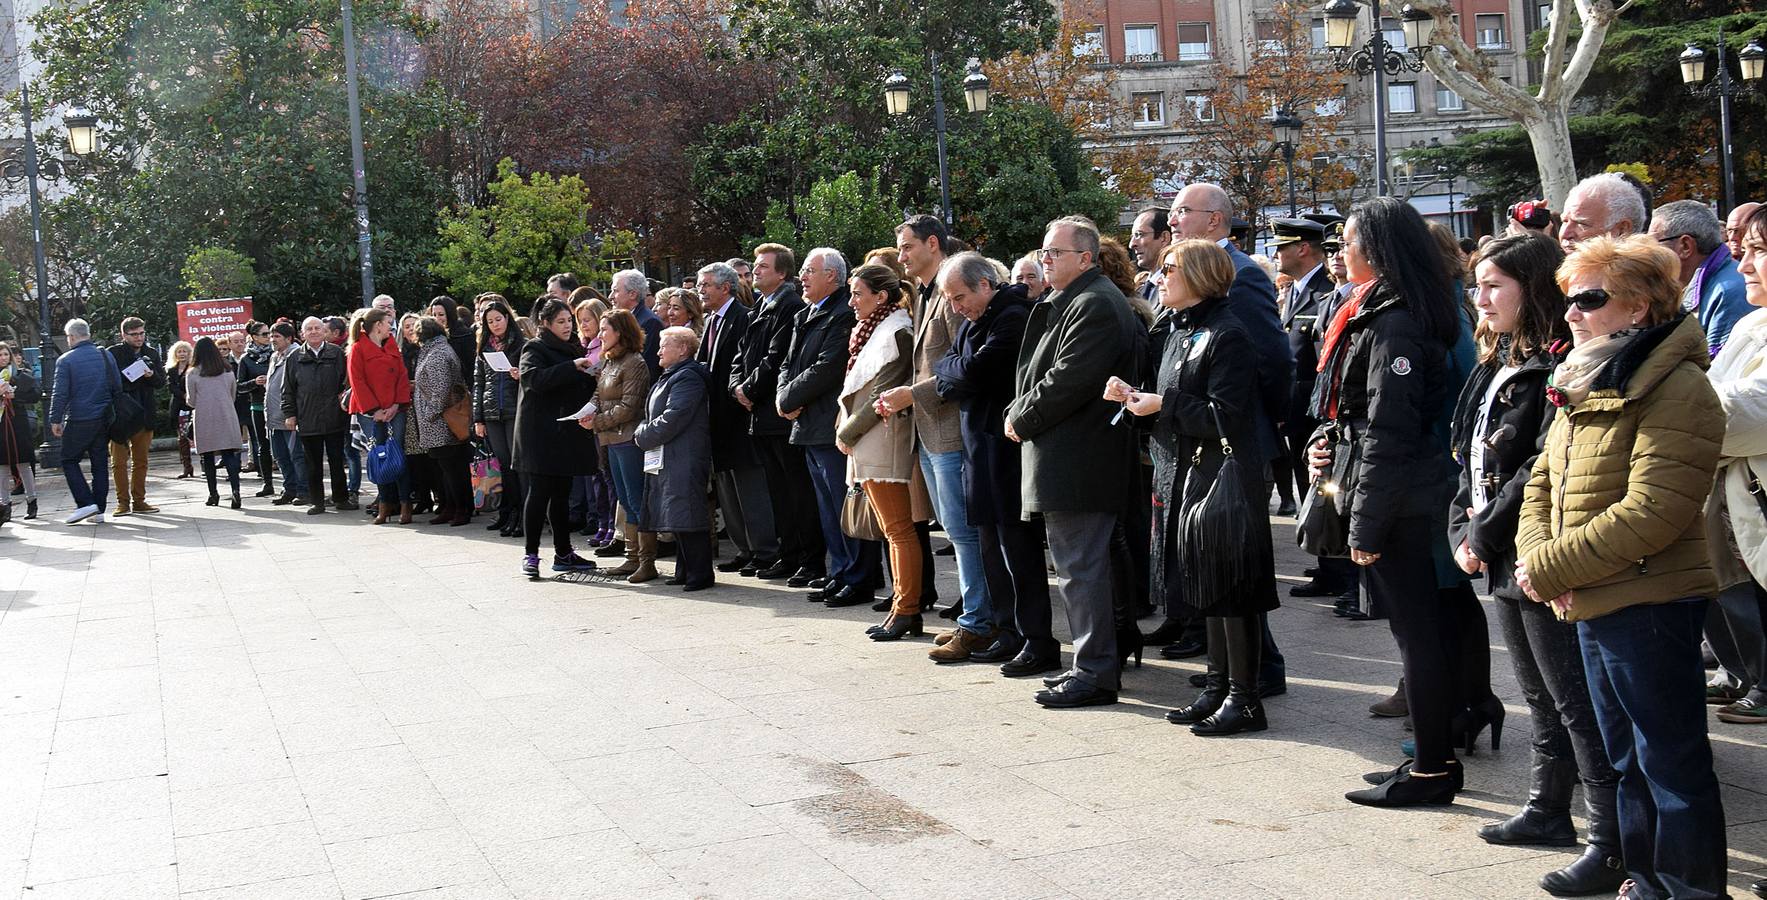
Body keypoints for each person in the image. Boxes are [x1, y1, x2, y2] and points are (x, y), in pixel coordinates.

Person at [1515, 235, 1729, 899]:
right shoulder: (1586, 372)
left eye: (1587, 298)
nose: (1570, 313)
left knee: (1670, 760)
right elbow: (1541, 481)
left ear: (1636, 308)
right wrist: (1534, 557)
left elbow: (1654, 510)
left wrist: (1547, 567)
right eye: (1566, 298)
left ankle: (1689, 888)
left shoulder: (1679, 385)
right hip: (1589, 592)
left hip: (1648, 599)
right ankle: (1643, 879)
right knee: (1624, 758)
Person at [1445, 233, 1625, 895]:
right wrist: (1461, 526)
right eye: (1476, 284)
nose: (1480, 297)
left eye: (1494, 285)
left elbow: (1535, 469)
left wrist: (1481, 534)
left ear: (1534, 287)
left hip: (1538, 552)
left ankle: (1610, 840)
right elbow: (1467, 454)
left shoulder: (1559, 361)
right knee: (1539, 697)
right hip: (1498, 549)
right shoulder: (1500, 355)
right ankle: (1548, 808)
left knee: (1574, 702)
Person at [1307, 198, 1471, 807]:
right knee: (1416, 632)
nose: (1339, 254)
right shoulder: (1383, 311)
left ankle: (1431, 768)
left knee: (1417, 634)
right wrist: (1327, 443)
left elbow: (1390, 431)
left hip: (1404, 500)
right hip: (1398, 493)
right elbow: (1359, 415)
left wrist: (1366, 525)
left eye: (1346, 243)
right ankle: (1434, 757)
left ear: (1374, 250)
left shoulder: (1396, 321)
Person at [1111, 238, 1277, 735]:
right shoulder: (1179, 329)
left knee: (1231, 588)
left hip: (1221, 478)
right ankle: (1218, 685)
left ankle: (1245, 697)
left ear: (1201, 276)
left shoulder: (1227, 333)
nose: (1159, 277)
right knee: (1205, 588)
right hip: (1182, 472)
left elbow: (1226, 415)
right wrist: (1136, 400)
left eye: (1170, 268)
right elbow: (1172, 402)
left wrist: (1161, 404)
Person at [1007, 215, 1142, 708]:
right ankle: (1095, 662)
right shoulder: (1075, 300)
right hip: (1069, 454)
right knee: (1083, 567)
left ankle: (1094, 672)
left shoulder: (1094, 304)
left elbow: (1069, 378)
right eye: (1043, 252)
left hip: (1080, 458)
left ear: (1085, 258)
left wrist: (1021, 414)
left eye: (1055, 253)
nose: (1045, 260)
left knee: (1081, 569)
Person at [1168, 182, 1292, 694]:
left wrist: (1268, 427)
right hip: (1198, 442)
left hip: (1232, 443)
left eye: (1183, 211)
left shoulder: (1238, 277)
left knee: (1235, 568)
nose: (1172, 219)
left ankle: (1255, 675)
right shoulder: (1188, 296)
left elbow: (1271, 360)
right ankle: (1230, 675)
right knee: (1215, 569)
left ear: (1215, 220)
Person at [934, 253, 1052, 673]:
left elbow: (971, 373)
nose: (955, 307)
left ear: (986, 284)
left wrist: (955, 371)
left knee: (1018, 550)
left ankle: (1036, 637)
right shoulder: (974, 321)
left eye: (960, 296)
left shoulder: (1012, 316)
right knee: (989, 548)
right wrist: (955, 371)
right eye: (949, 299)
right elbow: (947, 369)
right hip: (977, 450)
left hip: (1005, 451)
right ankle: (1006, 629)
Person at [880, 217, 983, 649]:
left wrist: (911, 393)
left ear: (933, 244)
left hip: (950, 431)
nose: (900, 256)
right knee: (955, 530)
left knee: (962, 532)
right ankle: (977, 614)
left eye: (906, 247)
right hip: (929, 430)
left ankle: (978, 620)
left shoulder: (950, 293)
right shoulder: (926, 294)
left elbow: (964, 367)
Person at [780, 247, 880, 607]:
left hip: (829, 423)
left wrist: (788, 398)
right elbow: (788, 363)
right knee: (827, 507)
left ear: (832, 277)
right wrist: (783, 396)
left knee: (845, 505)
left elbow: (827, 367)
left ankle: (858, 575)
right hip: (807, 423)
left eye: (809, 270)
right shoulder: (807, 313)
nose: (801, 277)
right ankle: (839, 572)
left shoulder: (841, 314)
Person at [1704, 207, 1767, 729]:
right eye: (1744, 250)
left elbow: (1739, 416)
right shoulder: (1752, 320)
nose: (1744, 263)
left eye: (1759, 251)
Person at [832, 260, 919, 638]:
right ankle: (903, 607)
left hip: (883, 439)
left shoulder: (896, 332)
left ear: (880, 296)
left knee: (898, 529)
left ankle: (907, 608)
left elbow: (881, 394)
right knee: (891, 528)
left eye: (857, 294)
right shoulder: (873, 329)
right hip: (870, 439)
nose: (851, 301)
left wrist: (847, 433)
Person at [734, 244, 823, 584]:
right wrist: (736, 387)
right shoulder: (760, 306)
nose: (755, 272)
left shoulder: (788, 305)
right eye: (755, 267)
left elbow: (776, 359)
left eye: (763, 267)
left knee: (796, 492)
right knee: (778, 493)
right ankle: (788, 556)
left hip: (779, 413)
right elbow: (742, 355)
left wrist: (749, 390)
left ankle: (807, 558)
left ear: (782, 273)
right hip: (759, 413)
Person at [696, 262, 777, 576]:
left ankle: (765, 551)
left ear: (725, 287)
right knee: (728, 492)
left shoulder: (742, 317)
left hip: (739, 420)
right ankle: (744, 549)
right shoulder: (710, 321)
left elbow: (746, 365)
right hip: (717, 422)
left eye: (706, 285)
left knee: (750, 490)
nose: (701, 291)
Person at [513, 298, 600, 577]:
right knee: (538, 494)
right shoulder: (534, 347)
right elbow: (534, 380)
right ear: (546, 324)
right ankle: (531, 554)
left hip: (565, 432)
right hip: (539, 434)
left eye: (569, 321)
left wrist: (591, 376)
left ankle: (564, 553)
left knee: (562, 495)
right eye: (561, 322)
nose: (567, 326)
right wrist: (572, 367)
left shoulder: (572, 347)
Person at [633, 326, 716, 590]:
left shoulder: (687, 378)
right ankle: (685, 570)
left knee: (687, 512)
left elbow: (674, 416)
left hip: (685, 455)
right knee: (676, 512)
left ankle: (700, 574)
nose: (658, 351)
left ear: (682, 349)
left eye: (664, 345)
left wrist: (643, 434)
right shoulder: (671, 375)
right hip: (671, 455)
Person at [591, 309, 654, 582]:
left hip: (627, 439)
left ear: (620, 332)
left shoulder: (634, 362)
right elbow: (598, 395)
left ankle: (647, 562)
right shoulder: (609, 361)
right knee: (625, 501)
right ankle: (632, 557)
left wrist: (596, 421)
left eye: (605, 329)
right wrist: (587, 412)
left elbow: (629, 407)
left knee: (636, 500)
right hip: (610, 438)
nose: (600, 334)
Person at [1649, 199, 1750, 354]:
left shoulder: (1729, 293)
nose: (1648, 253)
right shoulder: (1708, 283)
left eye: (1653, 243)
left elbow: (1719, 370)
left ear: (1685, 246)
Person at [282, 316, 357, 515]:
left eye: (317, 328)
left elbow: (346, 383)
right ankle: (317, 502)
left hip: (334, 416)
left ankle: (341, 498)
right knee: (313, 464)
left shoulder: (336, 353)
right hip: (308, 418)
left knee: (337, 461)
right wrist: (290, 414)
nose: (314, 331)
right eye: (309, 329)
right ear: (302, 334)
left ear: (324, 332)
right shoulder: (294, 357)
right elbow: (287, 389)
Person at [347, 308, 414, 526]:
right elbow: (357, 381)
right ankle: (384, 504)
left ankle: (405, 504)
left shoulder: (393, 346)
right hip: (371, 413)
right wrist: (375, 410)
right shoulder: (358, 348)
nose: (390, 326)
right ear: (378, 325)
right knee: (380, 455)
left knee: (399, 455)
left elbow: (402, 377)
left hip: (395, 410)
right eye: (388, 322)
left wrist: (396, 404)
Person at [50, 318, 118, 523]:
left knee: (68, 460)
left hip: (80, 417)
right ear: (87, 333)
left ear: (71, 337)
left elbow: (60, 393)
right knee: (99, 463)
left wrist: (55, 419)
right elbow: (117, 385)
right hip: (104, 417)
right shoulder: (105, 354)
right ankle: (99, 510)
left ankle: (85, 503)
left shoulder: (66, 360)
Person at [472, 297, 526, 537]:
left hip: (514, 409)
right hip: (492, 411)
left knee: (518, 465)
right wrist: (478, 418)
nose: (495, 324)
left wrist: (520, 375)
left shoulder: (520, 344)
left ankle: (523, 515)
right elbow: (479, 383)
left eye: (498, 319)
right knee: (504, 465)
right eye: (490, 321)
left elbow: (532, 374)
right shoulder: (484, 347)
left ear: (507, 318)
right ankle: (509, 512)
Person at [410, 317, 472, 526]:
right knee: (447, 468)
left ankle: (460, 509)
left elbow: (441, 390)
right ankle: (451, 507)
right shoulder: (436, 350)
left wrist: (429, 414)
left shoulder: (437, 354)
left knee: (452, 468)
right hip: (439, 420)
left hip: (441, 422)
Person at [106, 316, 164, 516]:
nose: (139, 338)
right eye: (134, 334)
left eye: (142, 333)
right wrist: (129, 374)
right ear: (124, 335)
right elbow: (108, 383)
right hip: (120, 415)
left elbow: (160, 383)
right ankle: (122, 502)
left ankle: (139, 500)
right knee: (118, 462)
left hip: (144, 412)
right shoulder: (112, 353)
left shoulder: (151, 353)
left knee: (141, 461)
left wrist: (151, 375)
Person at [184, 337, 245, 509]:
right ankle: (236, 491)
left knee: (208, 457)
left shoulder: (193, 372)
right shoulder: (227, 369)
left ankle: (213, 494)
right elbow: (233, 394)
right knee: (229, 454)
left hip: (204, 417)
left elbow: (191, 400)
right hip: (227, 415)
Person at [263, 322, 308, 507]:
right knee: (280, 456)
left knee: (297, 456)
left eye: (277, 337)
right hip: (273, 417)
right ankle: (289, 489)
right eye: (271, 336)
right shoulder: (274, 356)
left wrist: (292, 413)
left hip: (289, 417)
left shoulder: (296, 354)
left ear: (289, 338)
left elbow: (296, 387)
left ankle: (303, 490)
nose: (272, 340)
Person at [0, 343, 41, 519]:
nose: (3, 358)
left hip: (18, 421)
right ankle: (4, 505)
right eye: (0, 355)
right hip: (1, 423)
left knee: (23, 462)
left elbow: (35, 394)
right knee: (2, 465)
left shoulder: (20, 374)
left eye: (5, 354)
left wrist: (15, 396)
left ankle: (32, 502)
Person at [1559, 172, 1646, 252]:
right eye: (1564, 221)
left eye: (1581, 224)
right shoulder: (1553, 262)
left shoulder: (1649, 268)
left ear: (1622, 230)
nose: (1565, 234)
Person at [235, 321, 275, 494]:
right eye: (265, 334)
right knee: (262, 445)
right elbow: (239, 386)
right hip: (258, 405)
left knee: (283, 445)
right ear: (254, 337)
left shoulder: (276, 354)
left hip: (278, 404)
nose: (269, 337)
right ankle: (267, 482)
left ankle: (293, 483)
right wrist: (255, 382)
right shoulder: (246, 359)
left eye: (270, 333)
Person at [611, 269, 664, 377]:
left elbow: (647, 366)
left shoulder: (650, 322)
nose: (610, 296)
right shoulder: (626, 319)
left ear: (632, 294)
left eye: (615, 291)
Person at [167, 340, 195, 479]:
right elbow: (171, 387)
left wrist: (189, 396)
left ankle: (204, 463)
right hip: (178, 406)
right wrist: (183, 395)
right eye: (179, 351)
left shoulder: (193, 368)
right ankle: (187, 466)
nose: (182, 354)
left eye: (184, 351)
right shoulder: (171, 369)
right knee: (182, 437)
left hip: (191, 405)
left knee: (194, 434)